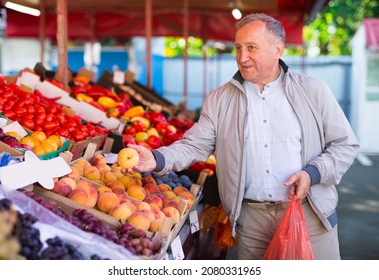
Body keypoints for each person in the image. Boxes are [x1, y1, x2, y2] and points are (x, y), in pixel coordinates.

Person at [123, 13, 359, 260]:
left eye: (251, 48)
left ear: (277, 49)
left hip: (309, 214)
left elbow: (345, 144)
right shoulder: (220, 99)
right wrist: (157, 158)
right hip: (252, 221)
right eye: (238, 47)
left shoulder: (313, 91)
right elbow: (195, 144)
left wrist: (313, 174)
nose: (242, 57)